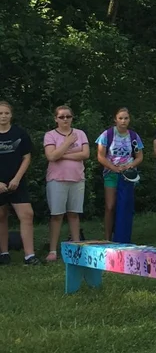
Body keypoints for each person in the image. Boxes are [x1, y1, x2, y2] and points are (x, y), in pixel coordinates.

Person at [44, 104, 90, 261]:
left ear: (72, 118)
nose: (65, 119)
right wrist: (68, 143)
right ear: (56, 119)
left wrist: (61, 153)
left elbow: (85, 154)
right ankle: (52, 251)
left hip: (77, 179)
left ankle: (76, 246)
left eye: (68, 116)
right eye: (61, 117)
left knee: (74, 214)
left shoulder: (80, 133)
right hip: (57, 179)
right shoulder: (50, 135)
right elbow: (51, 157)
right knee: (57, 215)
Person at [0, 100, 41, 266]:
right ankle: (3, 253)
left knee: (27, 215)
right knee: (1, 216)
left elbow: (27, 157)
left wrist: (17, 178)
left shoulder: (20, 133)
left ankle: (29, 255)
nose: (3, 116)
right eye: (0, 113)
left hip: (17, 182)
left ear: (11, 115)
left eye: (6, 113)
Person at [95, 108, 144, 241]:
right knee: (110, 206)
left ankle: (122, 236)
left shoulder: (134, 136)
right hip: (111, 173)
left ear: (129, 120)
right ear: (115, 119)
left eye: (126, 118)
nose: (123, 121)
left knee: (125, 205)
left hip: (127, 175)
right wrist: (113, 168)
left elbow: (139, 157)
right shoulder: (107, 135)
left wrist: (130, 165)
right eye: (120, 118)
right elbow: (100, 156)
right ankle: (107, 238)